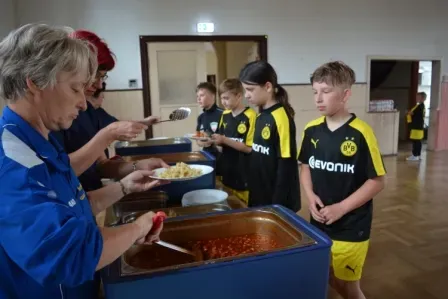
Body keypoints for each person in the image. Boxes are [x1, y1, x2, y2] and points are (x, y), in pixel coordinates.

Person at [0, 24, 166, 299]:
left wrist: (124, 186)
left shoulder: (43, 139)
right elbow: (71, 254)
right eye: (76, 88)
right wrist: (138, 227)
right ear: (35, 82)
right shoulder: (11, 164)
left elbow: (75, 205)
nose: (83, 103)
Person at [298, 61, 386, 299]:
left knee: (349, 287)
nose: (318, 98)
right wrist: (310, 196)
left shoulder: (361, 133)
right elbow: (305, 166)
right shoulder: (311, 129)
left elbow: (377, 181)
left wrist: (341, 208)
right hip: (318, 222)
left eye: (326, 92)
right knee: (325, 274)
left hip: (351, 226)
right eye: (315, 91)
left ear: (345, 95)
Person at [52, 29, 163, 192]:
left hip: (89, 201)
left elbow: (101, 165)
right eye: (93, 76)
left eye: (102, 77)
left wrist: (137, 166)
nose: (98, 85)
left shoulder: (87, 110)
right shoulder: (50, 119)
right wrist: (107, 135)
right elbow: (57, 174)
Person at [239, 61, 300, 212]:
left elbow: (286, 165)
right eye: (245, 89)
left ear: (267, 87)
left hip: (277, 200)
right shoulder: (260, 116)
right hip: (260, 194)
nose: (246, 95)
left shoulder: (280, 118)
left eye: (250, 89)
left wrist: (276, 206)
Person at [211, 79, 256, 204]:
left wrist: (225, 140)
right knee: (229, 205)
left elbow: (249, 148)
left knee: (244, 208)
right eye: (221, 98)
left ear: (239, 96)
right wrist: (212, 140)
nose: (223, 102)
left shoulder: (251, 116)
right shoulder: (225, 115)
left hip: (243, 173)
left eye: (226, 98)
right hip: (227, 171)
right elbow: (220, 142)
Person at [196, 82, 223, 158]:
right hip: (206, 155)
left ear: (212, 96)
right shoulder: (201, 117)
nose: (198, 99)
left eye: (202, 95)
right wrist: (201, 142)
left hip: (221, 157)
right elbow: (198, 139)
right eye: (197, 96)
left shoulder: (223, 114)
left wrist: (211, 140)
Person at [406, 92, 426, 161]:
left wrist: (410, 113)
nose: (417, 98)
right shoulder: (420, 106)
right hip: (419, 126)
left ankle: (415, 155)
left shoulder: (420, 107)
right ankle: (418, 155)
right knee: (418, 141)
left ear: (423, 98)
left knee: (416, 141)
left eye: (419, 97)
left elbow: (413, 114)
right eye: (417, 97)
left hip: (417, 126)